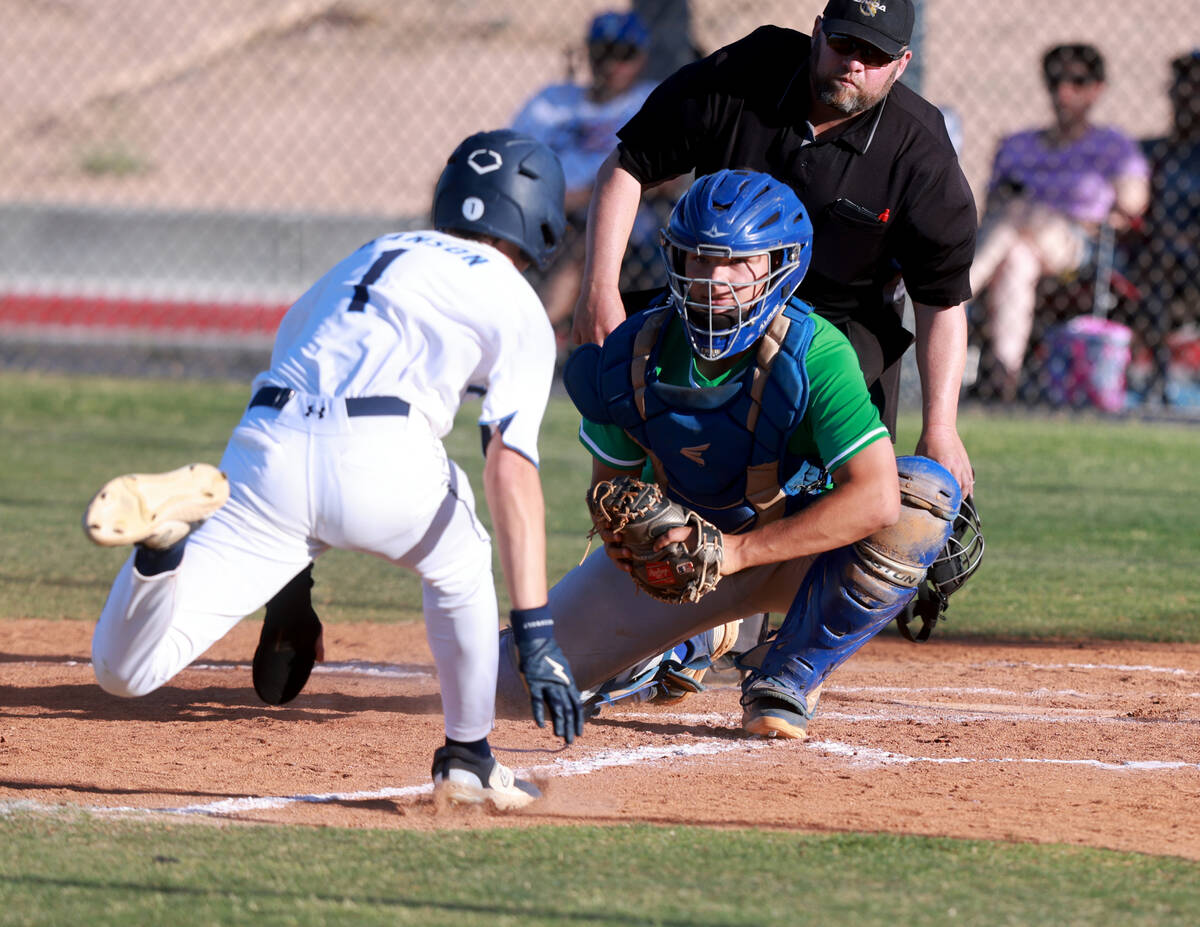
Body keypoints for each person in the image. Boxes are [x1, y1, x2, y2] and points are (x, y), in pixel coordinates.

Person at [81, 129, 586, 810]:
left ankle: (158, 554)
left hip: (265, 450)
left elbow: (295, 355)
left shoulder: (370, 253)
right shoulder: (514, 297)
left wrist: (291, 589)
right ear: (542, 220)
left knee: (124, 671)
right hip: (383, 453)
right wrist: (535, 628)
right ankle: (468, 756)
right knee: (462, 556)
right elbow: (511, 465)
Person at [494, 169, 966, 739]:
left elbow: (876, 495)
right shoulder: (630, 353)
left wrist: (737, 552)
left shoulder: (814, 352)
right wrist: (632, 540)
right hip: (683, 564)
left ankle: (787, 672)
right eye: (698, 259)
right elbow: (610, 493)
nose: (714, 278)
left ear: (778, 265)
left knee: (921, 496)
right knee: (506, 686)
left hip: (797, 557)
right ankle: (686, 643)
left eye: (736, 261)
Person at [571, 0, 977, 502]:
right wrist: (599, 288)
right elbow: (629, 163)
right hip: (712, 303)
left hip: (841, 336)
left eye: (873, 55)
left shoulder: (920, 154)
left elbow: (941, 297)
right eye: (844, 43)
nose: (854, 63)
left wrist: (940, 425)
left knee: (856, 519)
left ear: (902, 64)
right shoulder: (745, 73)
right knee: (645, 439)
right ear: (817, 33)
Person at [970, 43, 1150, 403]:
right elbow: (991, 208)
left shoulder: (1113, 145)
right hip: (1016, 242)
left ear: (1097, 88)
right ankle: (1005, 374)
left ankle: (955, 295)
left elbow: (1133, 205)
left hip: (1080, 246)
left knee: (1018, 212)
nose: (1064, 91)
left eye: (1077, 81)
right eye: (1056, 81)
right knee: (1018, 257)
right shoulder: (1018, 144)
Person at [511, 10, 660, 335]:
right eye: (602, 52)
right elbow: (511, 154)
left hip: (607, 213)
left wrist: (580, 198)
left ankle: (534, 334)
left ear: (642, 57)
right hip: (536, 208)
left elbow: (667, 178)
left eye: (624, 54)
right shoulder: (553, 101)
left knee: (588, 238)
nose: (610, 65)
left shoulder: (649, 100)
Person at [1137, 50, 1200, 405]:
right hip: (1153, 259)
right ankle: (1157, 380)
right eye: (1180, 85)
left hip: (1192, 259)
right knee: (1158, 259)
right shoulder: (1153, 151)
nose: (1185, 95)